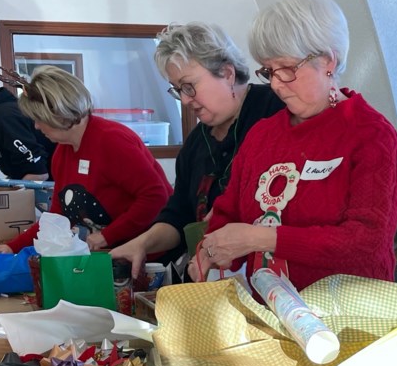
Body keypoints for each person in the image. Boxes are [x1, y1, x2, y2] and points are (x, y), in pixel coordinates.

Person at [190, 0, 397, 292]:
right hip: (274, 315)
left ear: (329, 61)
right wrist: (208, 251)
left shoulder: (371, 135)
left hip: (349, 321)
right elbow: (230, 211)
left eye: (288, 69)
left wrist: (260, 238)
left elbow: (366, 242)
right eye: (269, 71)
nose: (276, 85)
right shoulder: (263, 135)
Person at [109, 22, 284, 277]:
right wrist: (142, 244)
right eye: (178, 90)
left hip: (268, 278)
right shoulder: (195, 143)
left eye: (189, 86)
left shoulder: (275, 113)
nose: (186, 100)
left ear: (227, 73)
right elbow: (179, 214)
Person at [0, 66, 172, 254]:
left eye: (38, 119)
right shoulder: (62, 153)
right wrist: (12, 247)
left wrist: (108, 235)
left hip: (151, 252)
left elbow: (156, 196)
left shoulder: (111, 141)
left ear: (57, 114)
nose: (35, 126)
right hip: (115, 254)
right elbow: (58, 217)